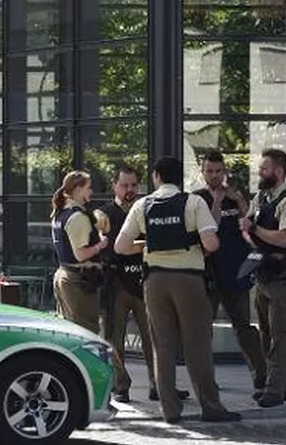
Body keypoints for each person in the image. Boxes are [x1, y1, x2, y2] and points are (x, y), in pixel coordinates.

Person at [115, 156, 241, 424]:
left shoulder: (142, 204)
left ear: (156, 177)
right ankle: (211, 406)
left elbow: (120, 247)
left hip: (154, 281)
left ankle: (170, 410)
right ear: (178, 178)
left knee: (163, 346)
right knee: (197, 345)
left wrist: (150, 245)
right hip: (189, 280)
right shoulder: (193, 202)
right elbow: (212, 243)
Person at [94, 166, 189, 404]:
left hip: (144, 280)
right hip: (115, 282)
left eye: (134, 185)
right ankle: (120, 385)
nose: (129, 190)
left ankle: (159, 384)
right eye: (124, 185)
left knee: (155, 336)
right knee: (114, 337)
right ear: (114, 185)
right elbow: (102, 249)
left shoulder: (148, 209)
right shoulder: (103, 215)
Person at [194, 151, 267, 396]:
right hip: (209, 274)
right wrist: (215, 202)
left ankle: (261, 376)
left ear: (224, 171)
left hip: (235, 270)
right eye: (209, 171)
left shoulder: (237, 195)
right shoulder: (197, 199)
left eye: (218, 171)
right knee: (205, 329)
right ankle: (207, 381)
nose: (214, 176)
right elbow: (209, 230)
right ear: (202, 172)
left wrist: (240, 203)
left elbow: (250, 226)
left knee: (244, 326)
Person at [240, 148, 286, 408]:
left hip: (281, 276)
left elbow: (284, 238)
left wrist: (254, 229)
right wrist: (251, 231)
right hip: (262, 275)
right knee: (265, 334)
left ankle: (274, 390)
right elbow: (246, 230)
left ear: (278, 171)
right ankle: (284, 387)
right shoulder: (261, 198)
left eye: (264, 169)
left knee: (281, 334)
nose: (260, 172)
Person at [50, 171, 108, 335]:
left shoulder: (59, 213)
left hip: (66, 275)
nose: (91, 192)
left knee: (69, 330)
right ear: (77, 189)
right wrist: (100, 245)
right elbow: (81, 254)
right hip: (79, 280)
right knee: (85, 332)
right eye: (88, 188)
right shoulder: (77, 217)